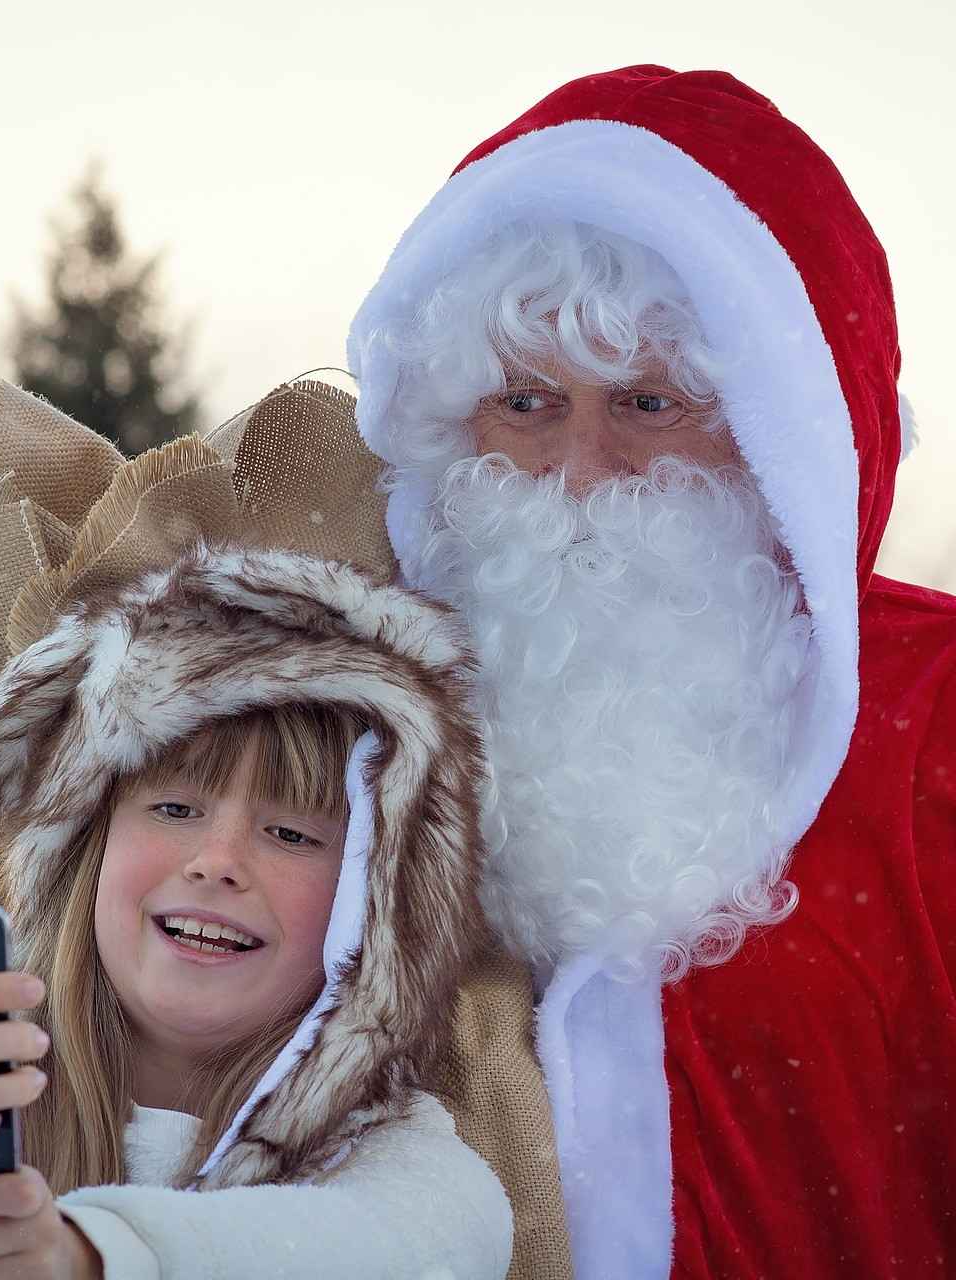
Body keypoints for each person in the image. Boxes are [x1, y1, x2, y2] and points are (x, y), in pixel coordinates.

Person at [347, 66, 956, 1278]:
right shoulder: (343, 720)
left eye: (647, 401)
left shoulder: (934, 718)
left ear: (781, 431)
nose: (583, 467)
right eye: (526, 401)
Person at [0, 379, 513, 1279]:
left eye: (292, 834)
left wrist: (84, 1256)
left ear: (375, 907)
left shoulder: (414, 1177)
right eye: (174, 809)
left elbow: (383, 1250)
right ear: (87, 852)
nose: (218, 862)